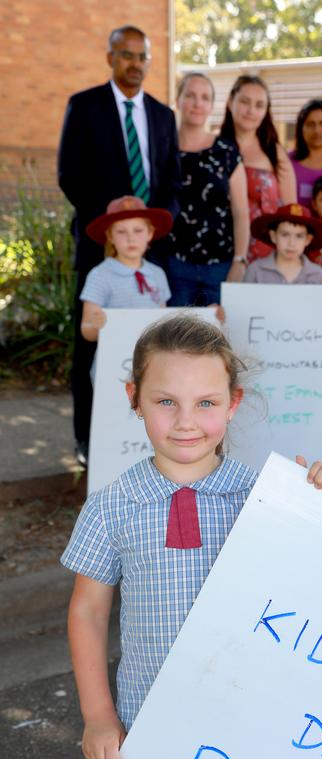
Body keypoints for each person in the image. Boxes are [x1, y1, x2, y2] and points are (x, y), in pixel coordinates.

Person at [61, 313, 322, 759]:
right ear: (133, 398)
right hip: (148, 722)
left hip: (254, 719)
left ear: (233, 403)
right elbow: (88, 613)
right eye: (165, 401)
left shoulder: (268, 499)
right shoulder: (109, 507)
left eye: (205, 403)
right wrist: (98, 716)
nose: (185, 422)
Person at [58, 24, 181, 466]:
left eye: (142, 56)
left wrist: (151, 228)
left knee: (152, 347)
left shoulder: (163, 115)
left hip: (150, 253)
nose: (135, 63)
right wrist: (113, 221)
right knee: (91, 345)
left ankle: (143, 436)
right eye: (126, 55)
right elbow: (69, 175)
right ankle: (88, 439)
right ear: (110, 58)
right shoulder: (85, 106)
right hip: (100, 248)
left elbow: (171, 180)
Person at [166, 73, 249, 305]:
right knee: (176, 338)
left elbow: (241, 212)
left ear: (212, 105)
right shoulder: (163, 149)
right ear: (178, 100)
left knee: (216, 339)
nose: (197, 103)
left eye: (205, 97)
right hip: (174, 265)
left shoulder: (226, 151)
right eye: (190, 95)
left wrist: (239, 261)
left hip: (220, 266)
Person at [79, 196, 172, 380]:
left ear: (150, 233)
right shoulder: (100, 275)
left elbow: (164, 321)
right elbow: (86, 328)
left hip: (152, 363)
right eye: (121, 232)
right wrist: (96, 326)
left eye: (138, 230)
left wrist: (208, 316)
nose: (131, 238)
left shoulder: (157, 274)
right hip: (114, 365)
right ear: (110, 236)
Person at [220, 75, 296, 263]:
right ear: (230, 102)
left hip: (268, 258)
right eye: (245, 102)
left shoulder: (275, 153)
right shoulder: (214, 149)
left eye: (259, 105)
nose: (251, 110)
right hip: (221, 255)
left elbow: (291, 211)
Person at [244, 204, 322, 285]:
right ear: (273, 236)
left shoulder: (318, 275)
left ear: (308, 240)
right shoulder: (256, 270)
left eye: (299, 236)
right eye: (285, 234)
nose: (291, 243)